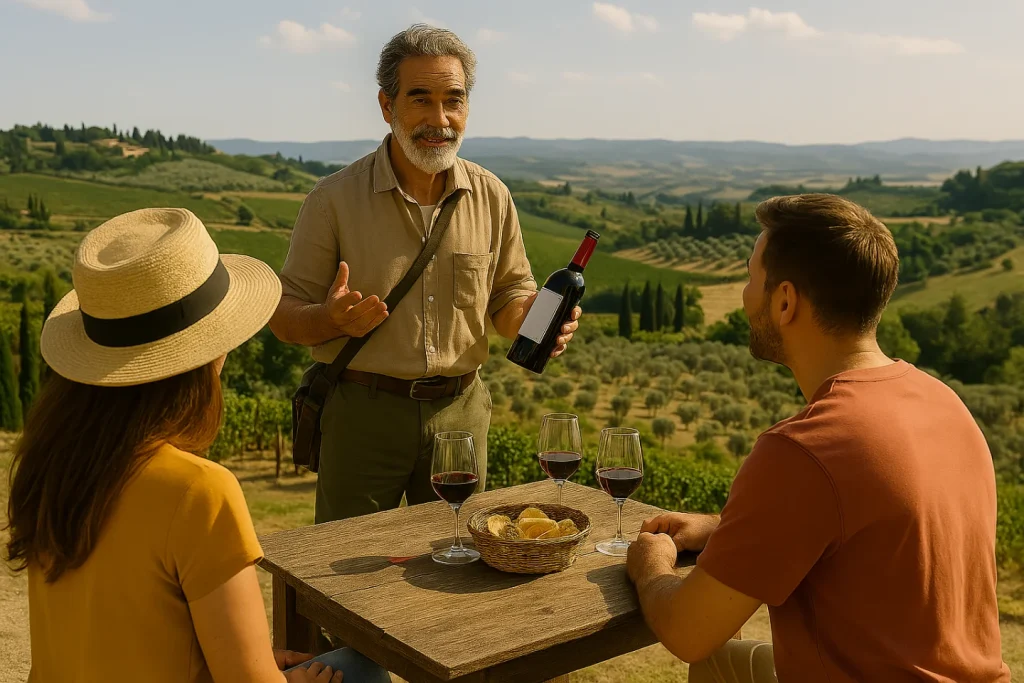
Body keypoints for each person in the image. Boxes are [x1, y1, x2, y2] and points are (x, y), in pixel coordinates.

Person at [626, 194, 1011, 682]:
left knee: (705, 651)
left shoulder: (805, 449)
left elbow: (687, 632)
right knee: (723, 664)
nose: (745, 296)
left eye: (750, 278)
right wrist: (724, 529)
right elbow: (859, 523)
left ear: (785, 302)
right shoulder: (943, 401)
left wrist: (651, 565)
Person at [4, 208, 390, 683]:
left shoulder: (50, 465)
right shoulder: (197, 491)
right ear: (208, 355)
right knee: (362, 668)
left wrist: (238, 654)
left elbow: (125, 634)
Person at [269, 24, 581, 525]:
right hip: (362, 415)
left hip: (462, 414)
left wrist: (532, 317)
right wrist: (331, 320)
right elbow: (284, 317)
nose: (440, 119)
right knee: (346, 569)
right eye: (421, 99)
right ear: (386, 106)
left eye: (453, 100)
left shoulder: (493, 196)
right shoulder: (331, 201)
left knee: (456, 560)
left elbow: (506, 299)